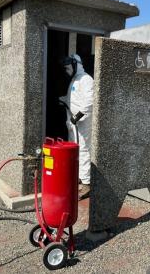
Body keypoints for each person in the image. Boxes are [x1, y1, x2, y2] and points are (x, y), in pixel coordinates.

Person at [60, 54, 94, 200]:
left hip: (82, 123)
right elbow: (74, 99)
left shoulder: (86, 79)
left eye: (68, 68)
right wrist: (62, 100)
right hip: (73, 124)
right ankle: (79, 179)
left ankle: (86, 184)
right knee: (76, 151)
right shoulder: (75, 80)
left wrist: (77, 117)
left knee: (84, 150)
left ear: (76, 64)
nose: (67, 71)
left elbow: (89, 102)